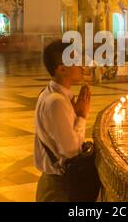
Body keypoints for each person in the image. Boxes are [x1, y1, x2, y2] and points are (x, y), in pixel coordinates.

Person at [35, 40, 92, 202]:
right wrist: (81, 116)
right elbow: (71, 152)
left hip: (55, 182)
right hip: (58, 187)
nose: (81, 66)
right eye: (75, 61)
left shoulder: (50, 94)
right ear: (62, 69)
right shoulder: (56, 102)